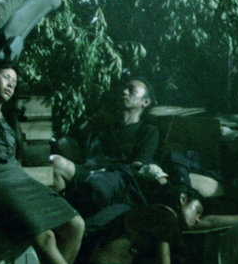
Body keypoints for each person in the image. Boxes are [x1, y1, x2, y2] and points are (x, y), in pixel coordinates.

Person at [0, 61, 85, 264]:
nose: (11, 84)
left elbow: (26, 156)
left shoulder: (11, 115)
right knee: (45, 236)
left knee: (76, 225)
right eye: (6, 77)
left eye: (14, 82)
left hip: (16, 177)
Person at [50, 78, 160, 211]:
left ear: (145, 102)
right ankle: (62, 214)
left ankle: (71, 216)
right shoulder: (106, 127)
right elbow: (76, 144)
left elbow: (137, 166)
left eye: (131, 90)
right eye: (124, 88)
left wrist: (105, 170)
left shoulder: (148, 131)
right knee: (55, 163)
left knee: (96, 186)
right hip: (89, 171)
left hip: (115, 178)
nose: (124, 92)